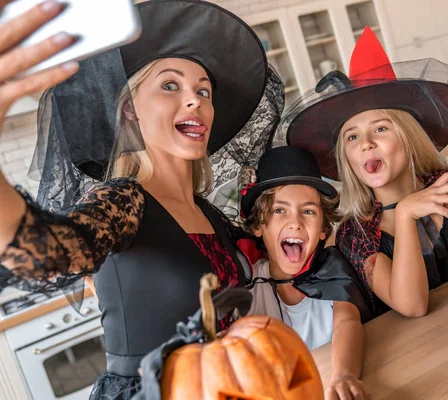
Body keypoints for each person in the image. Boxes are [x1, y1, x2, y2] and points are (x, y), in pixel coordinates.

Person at [0, 1, 283, 398]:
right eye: (171, 85)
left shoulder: (207, 212)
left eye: (203, 90)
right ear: (130, 108)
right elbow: (41, 251)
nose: (195, 100)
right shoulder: (123, 201)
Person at [279, 27, 448, 318]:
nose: (366, 144)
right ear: (346, 158)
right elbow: (412, 306)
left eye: (380, 128)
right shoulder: (357, 233)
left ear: (408, 137)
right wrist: (405, 213)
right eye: (352, 137)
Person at [242, 146, 371, 400]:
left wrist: (344, 375)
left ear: (323, 228)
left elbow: (347, 321)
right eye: (280, 210)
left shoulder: (332, 271)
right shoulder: (247, 288)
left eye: (308, 211)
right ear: (258, 225)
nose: (295, 222)